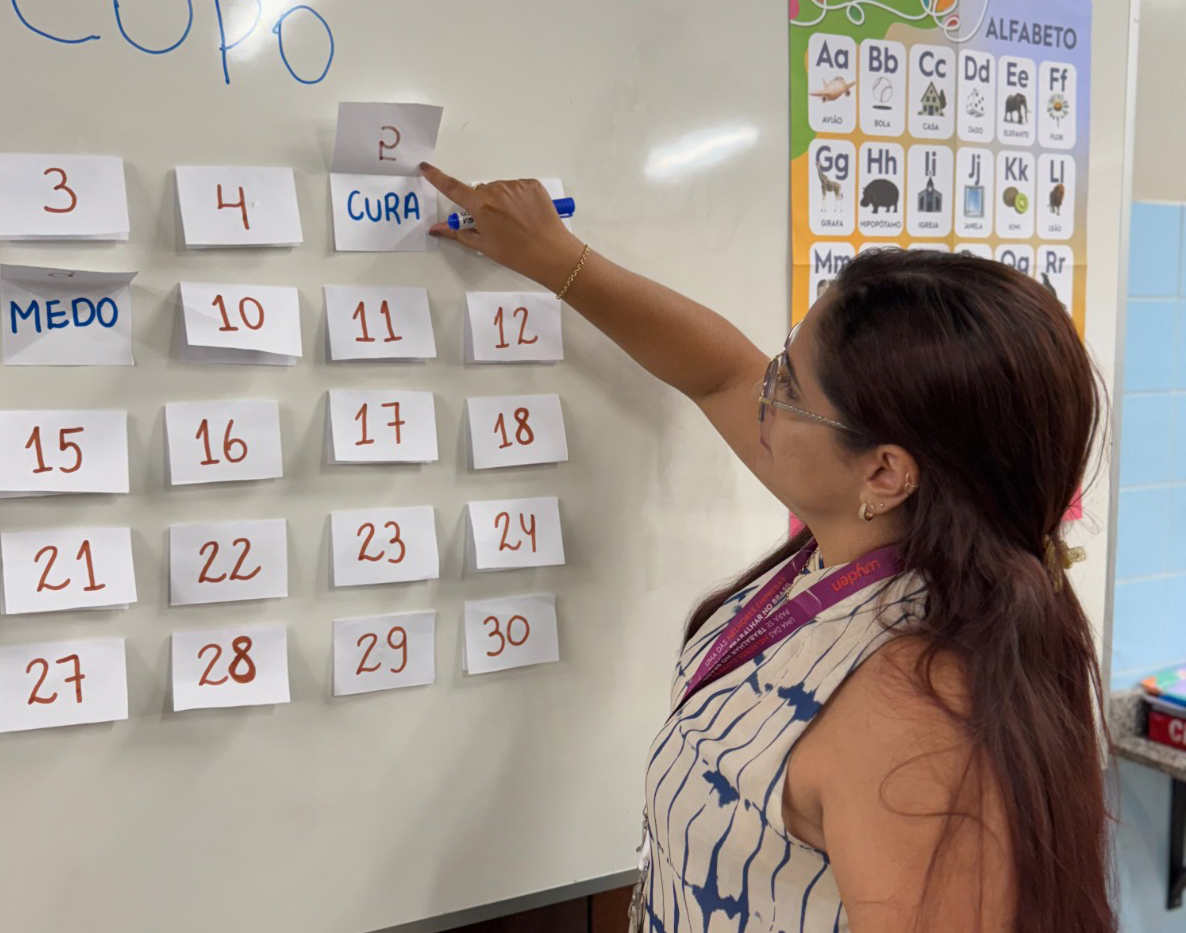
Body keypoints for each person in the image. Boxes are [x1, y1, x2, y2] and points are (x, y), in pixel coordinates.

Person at [420, 166, 1115, 933]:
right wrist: (558, 258)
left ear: (885, 472)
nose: (764, 389)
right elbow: (718, 371)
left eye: (789, 385)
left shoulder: (914, 716)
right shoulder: (868, 540)